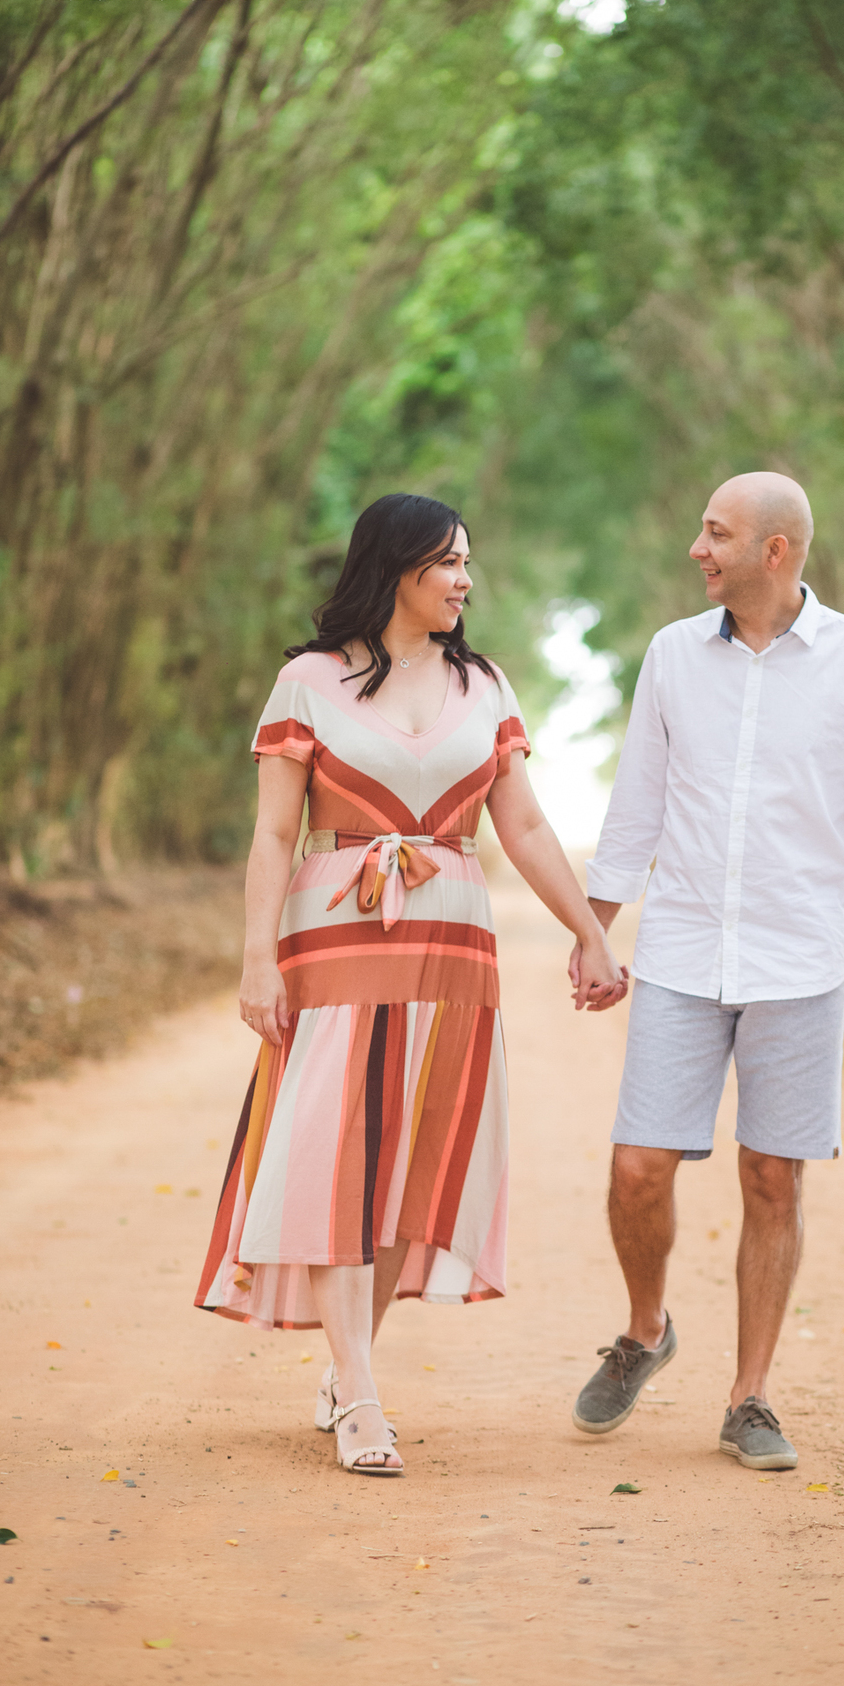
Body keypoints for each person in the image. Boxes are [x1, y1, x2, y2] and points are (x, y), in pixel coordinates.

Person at [196, 493, 627, 1474]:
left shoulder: (485, 684)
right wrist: (257, 956)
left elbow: (521, 828)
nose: (466, 581)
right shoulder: (308, 682)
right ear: (395, 567)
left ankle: (353, 1366)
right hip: (334, 941)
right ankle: (361, 1399)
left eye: (469, 562)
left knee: (410, 1171)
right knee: (336, 1159)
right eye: (449, 564)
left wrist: (591, 934)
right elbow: (273, 832)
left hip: (454, 948)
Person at [571, 471, 844, 1471]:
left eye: (716, 533)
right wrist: (595, 928)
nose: (698, 548)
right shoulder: (674, 656)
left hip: (800, 956)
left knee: (774, 1176)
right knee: (639, 1167)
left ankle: (750, 1397)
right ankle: (646, 1330)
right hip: (683, 949)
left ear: (775, 551)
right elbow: (635, 802)